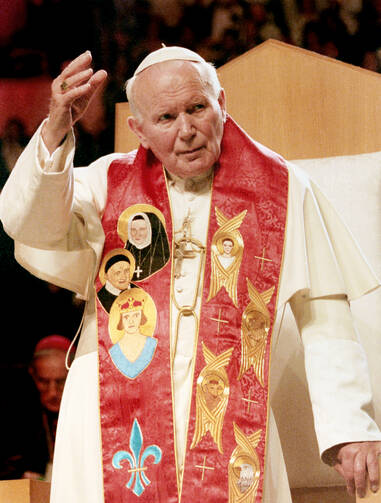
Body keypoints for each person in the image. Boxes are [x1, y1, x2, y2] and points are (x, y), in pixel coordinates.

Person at [0, 46, 380, 502]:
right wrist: (57, 129)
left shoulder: (282, 188)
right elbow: (29, 223)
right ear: (138, 130)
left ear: (222, 101)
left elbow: (324, 312)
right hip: (109, 419)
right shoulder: (103, 185)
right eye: (166, 118)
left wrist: (349, 426)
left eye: (197, 108)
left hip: (232, 417)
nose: (187, 131)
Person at [0, 335, 72, 481]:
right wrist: (18, 476)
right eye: (44, 382)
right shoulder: (15, 415)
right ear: (33, 374)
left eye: (61, 381)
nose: (53, 392)